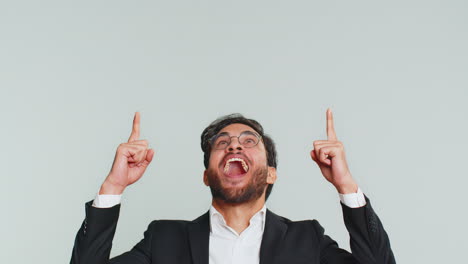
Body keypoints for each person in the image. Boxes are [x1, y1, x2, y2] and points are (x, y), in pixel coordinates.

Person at [70, 109, 395, 264]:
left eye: (249, 141)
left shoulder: (306, 240)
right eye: (222, 143)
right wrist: (113, 187)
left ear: (270, 173)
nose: (234, 147)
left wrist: (346, 185)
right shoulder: (163, 239)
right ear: (207, 175)